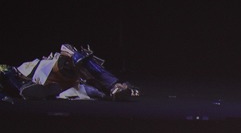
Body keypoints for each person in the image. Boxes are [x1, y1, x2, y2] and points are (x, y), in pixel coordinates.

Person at [0, 43, 139, 102]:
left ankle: (114, 88)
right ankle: (112, 91)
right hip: (59, 84)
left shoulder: (56, 61)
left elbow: (66, 49)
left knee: (80, 63)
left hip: (62, 74)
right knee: (91, 90)